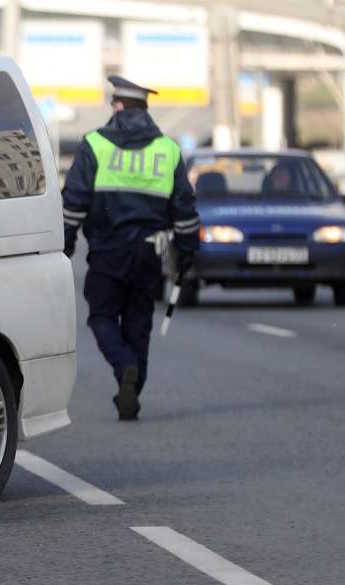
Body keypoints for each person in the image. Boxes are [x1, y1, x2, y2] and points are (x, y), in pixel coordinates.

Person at [62, 75, 200, 421]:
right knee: (139, 323)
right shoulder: (167, 150)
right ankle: (132, 390)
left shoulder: (95, 144)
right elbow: (184, 210)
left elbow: (74, 203)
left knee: (102, 316)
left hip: (108, 250)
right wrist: (186, 252)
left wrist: (64, 244)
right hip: (150, 253)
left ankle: (124, 367)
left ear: (119, 106)